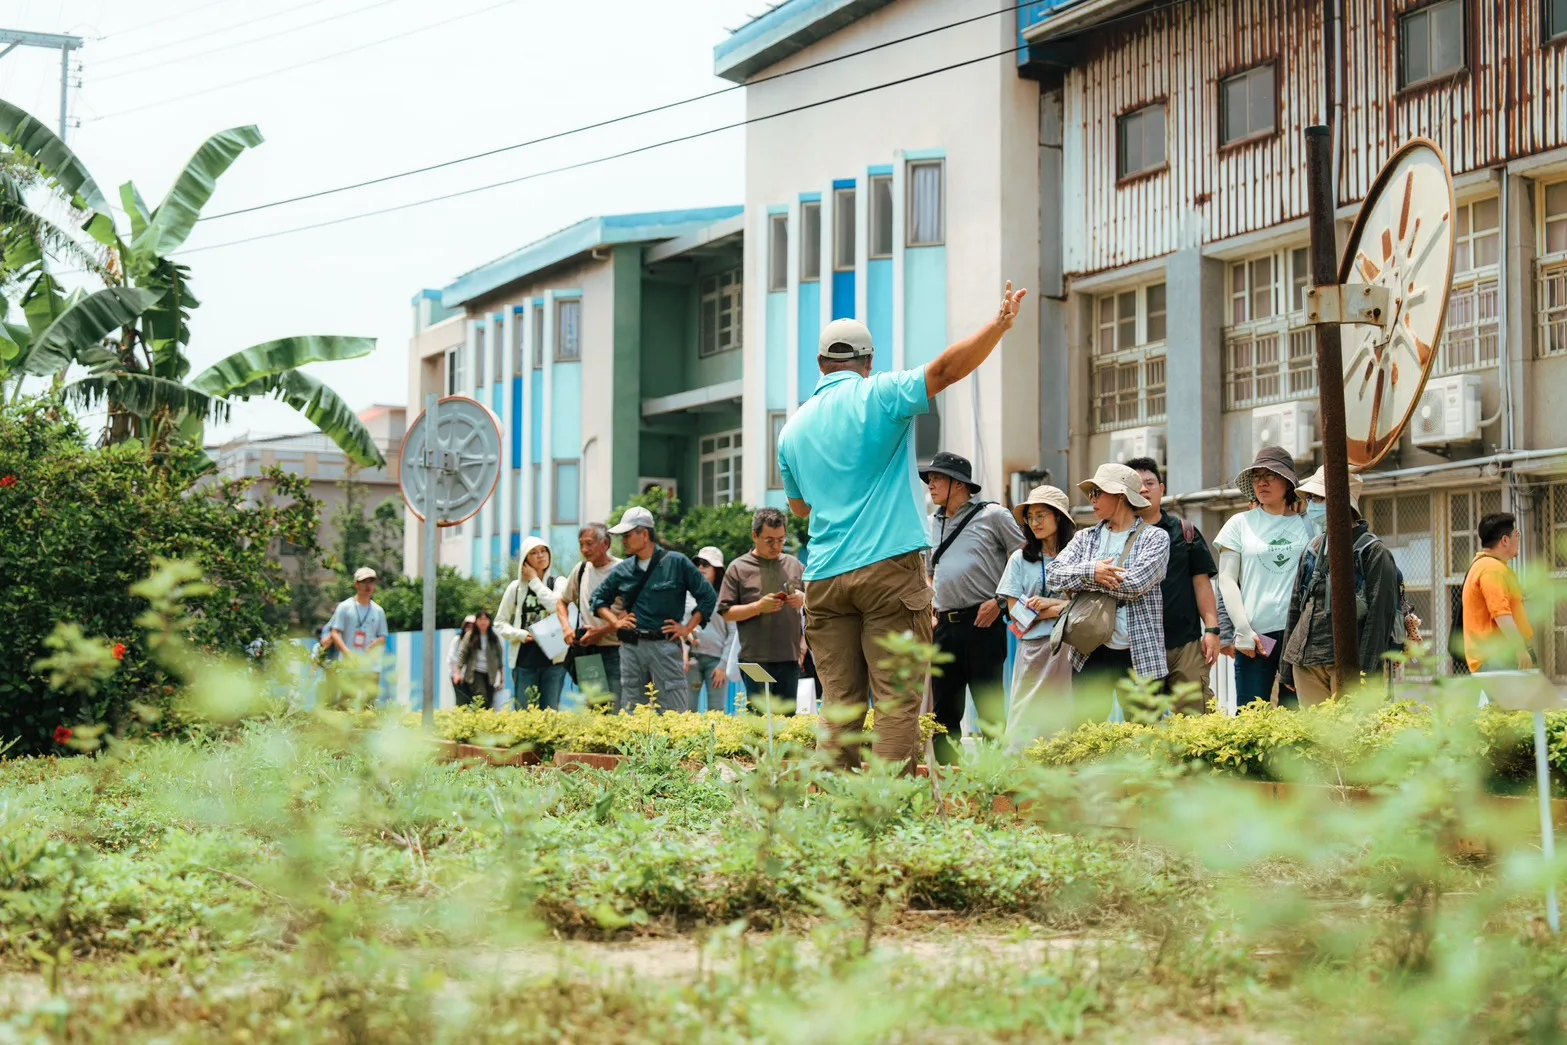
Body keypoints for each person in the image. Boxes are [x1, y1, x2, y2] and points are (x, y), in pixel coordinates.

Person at [777, 281, 1027, 769]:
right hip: (887, 571)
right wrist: (998, 325)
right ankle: (887, 819)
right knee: (895, 704)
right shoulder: (882, 395)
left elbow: (800, 509)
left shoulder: (791, 431)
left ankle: (835, 817)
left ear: (821, 365)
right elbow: (944, 371)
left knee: (839, 706)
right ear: (868, 362)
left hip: (824, 577)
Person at [921, 451, 1026, 763]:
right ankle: (947, 785)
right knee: (943, 714)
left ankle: (993, 781)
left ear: (959, 484)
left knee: (989, 710)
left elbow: (1023, 559)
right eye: (930, 478)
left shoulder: (993, 515)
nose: (930, 483)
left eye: (937, 477)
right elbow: (929, 572)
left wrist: (999, 602)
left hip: (983, 623)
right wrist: (929, 604)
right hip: (943, 626)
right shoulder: (930, 523)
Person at [1278, 467, 1403, 704]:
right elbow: (1297, 606)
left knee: (1353, 736)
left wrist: (1365, 674)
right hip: (1304, 661)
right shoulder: (1313, 548)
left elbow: (1379, 618)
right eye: (1311, 498)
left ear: (1344, 502)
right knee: (1317, 739)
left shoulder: (1374, 552)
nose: (1312, 504)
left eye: (1319, 498)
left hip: (1348, 665)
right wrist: (1286, 666)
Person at [1048, 464, 1171, 704]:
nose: (1092, 499)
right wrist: (1092, 571)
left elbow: (1136, 584)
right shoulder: (1085, 537)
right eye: (1091, 493)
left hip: (1140, 653)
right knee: (1087, 734)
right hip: (1089, 650)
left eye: (1098, 492)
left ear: (1121, 496)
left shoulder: (1155, 537)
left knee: (1144, 735)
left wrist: (1084, 581)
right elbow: (1053, 574)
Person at [1213, 447, 1314, 708]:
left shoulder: (1309, 525)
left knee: (1296, 718)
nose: (1262, 481)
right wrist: (1242, 629)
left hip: (1298, 636)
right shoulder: (1239, 523)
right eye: (1257, 476)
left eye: (1271, 474)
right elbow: (1226, 579)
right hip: (1257, 637)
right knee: (1250, 715)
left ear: (1289, 483)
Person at [591, 506, 718, 713]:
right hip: (631, 648)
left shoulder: (677, 562)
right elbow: (597, 599)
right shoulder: (623, 569)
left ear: (645, 534)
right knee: (633, 710)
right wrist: (615, 622)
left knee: (672, 710)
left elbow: (708, 597)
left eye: (628, 535)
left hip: (665, 646)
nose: (623, 541)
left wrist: (686, 629)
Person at [1127, 458, 1221, 715]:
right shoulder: (1119, 536)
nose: (1144, 489)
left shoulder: (1185, 532)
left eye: (1150, 483)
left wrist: (1212, 629)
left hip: (1185, 645)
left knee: (1196, 723)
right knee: (1144, 728)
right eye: (1138, 485)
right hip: (1137, 646)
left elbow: (1202, 585)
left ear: (1162, 488)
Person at [996, 484, 1075, 748]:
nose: (1034, 522)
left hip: (1069, 646)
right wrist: (1056, 608)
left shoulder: (1076, 555)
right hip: (1032, 647)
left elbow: (1086, 605)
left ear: (1058, 516)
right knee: (1024, 713)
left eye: (1041, 515)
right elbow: (1013, 609)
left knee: (1063, 717)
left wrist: (1047, 604)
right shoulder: (1020, 558)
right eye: (1030, 517)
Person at [719, 507, 807, 715]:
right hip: (755, 659)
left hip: (789, 658)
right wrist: (758, 607)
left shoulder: (794, 565)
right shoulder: (738, 568)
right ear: (755, 536)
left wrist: (804, 599)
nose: (776, 546)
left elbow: (815, 600)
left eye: (781, 540)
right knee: (760, 722)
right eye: (769, 541)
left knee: (787, 725)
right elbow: (726, 612)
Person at [557, 522, 624, 708]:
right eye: (581, 544)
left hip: (616, 650)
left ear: (606, 544)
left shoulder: (624, 570)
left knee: (616, 709)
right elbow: (562, 601)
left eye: (589, 543)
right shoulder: (581, 570)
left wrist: (601, 632)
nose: (584, 549)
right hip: (587, 652)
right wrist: (566, 628)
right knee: (593, 709)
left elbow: (632, 615)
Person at [495, 537, 567, 710]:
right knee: (524, 712)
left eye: (543, 551)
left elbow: (555, 606)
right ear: (525, 560)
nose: (540, 556)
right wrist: (520, 634)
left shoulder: (558, 582)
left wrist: (535, 581)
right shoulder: (516, 588)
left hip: (554, 660)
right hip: (524, 661)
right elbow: (499, 623)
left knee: (550, 712)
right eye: (534, 553)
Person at [1462, 512, 1536, 673]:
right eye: (1517, 534)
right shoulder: (1491, 569)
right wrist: (1520, 650)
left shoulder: (1489, 566)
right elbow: (1501, 612)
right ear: (1505, 540)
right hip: (1498, 658)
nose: (1519, 539)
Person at [685, 547, 741, 713]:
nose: (701, 568)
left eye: (706, 564)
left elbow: (733, 633)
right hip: (690, 660)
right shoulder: (687, 594)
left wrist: (723, 665)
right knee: (688, 712)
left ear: (717, 570)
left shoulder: (726, 597)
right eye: (698, 564)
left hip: (716, 663)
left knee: (716, 713)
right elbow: (681, 625)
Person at [325, 566, 389, 706]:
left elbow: (383, 636)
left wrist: (376, 643)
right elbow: (335, 632)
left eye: (371, 582)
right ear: (356, 584)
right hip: (350, 664)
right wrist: (347, 653)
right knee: (346, 700)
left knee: (370, 703)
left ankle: (368, 727)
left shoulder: (378, 611)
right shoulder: (345, 607)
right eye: (364, 581)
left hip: (371, 665)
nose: (368, 586)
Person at [454, 609, 505, 708]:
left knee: (489, 699)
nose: (483, 622)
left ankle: (482, 719)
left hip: (490, 673)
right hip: (475, 672)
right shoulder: (470, 635)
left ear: (490, 621)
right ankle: (479, 717)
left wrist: (502, 677)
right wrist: (458, 672)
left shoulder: (494, 637)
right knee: (481, 696)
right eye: (480, 619)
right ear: (476, 621)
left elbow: (499, 657)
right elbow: (462, 653)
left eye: (486, 619)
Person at [446, 614, 476, 702]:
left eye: (472, 626)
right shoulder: (457, 639)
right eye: (468, 625)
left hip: (470, 677)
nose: (470, 628)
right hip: (457, 675)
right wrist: (458, 674)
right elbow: (452, 657)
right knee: (461, 701)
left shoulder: (476, 641)